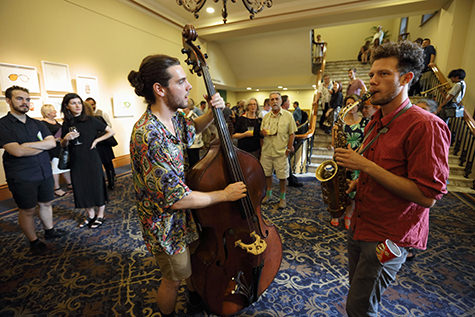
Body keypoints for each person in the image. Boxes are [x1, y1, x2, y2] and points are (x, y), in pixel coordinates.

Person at [334, 41, 450, 316]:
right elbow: (388, 170)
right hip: (361, 223)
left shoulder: (427, 126)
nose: (372, 81)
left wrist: (366, 167)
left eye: (384, 74)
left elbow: (427, 196)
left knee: (360, 308)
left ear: (407, 78)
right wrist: (357, 181)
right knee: (360, 295)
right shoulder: (377, 120)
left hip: (389, 235)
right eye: (372, 74)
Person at [127, 54, 247, 316]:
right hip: (165, 225)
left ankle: (194, 298)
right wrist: (224, 195)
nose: (189, 86)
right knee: (173, 278)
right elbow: (176, 199)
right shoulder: (148, 135)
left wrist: (212, 113)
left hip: (184, 218)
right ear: (160, 89)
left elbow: (192, 129)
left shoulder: (174, 118)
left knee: (192, 263)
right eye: (181, 81)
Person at [0, 86, 64, 255]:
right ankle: (33, 241)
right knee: (27, 209)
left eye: (27, 99)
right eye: (19, 98)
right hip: (22, 175)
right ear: (8, 100)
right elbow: (16, 151)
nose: (25, 102)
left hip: (44, 171)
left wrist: (27, 146)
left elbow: (51, 143)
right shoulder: (3, 125)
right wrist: (39, 146)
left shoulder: (36, 123)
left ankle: (49, 231)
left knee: (46, 203)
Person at [60, 93, 115, 229]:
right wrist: (66, 138)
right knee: (81, 187)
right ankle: (90, 215)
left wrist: (96, 140)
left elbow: (111, 132)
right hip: (76, 159)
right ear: (67, 106)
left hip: (92, 157)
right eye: (73, 103)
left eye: (79, 102)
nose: (77, 105)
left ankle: (100, 215)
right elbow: (63, 144)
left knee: (96, 185)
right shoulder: (67, 123)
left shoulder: (91, 120)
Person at [329, 95, 369, 229]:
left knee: (352, 191)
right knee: (337, 187)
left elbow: (366, 142)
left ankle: (348, 214)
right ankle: (335, 213)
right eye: (347, 104)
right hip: (340, 158)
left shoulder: (365, 122)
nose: (350, 107)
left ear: (358, 106)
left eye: (353, 104)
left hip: (357, 159)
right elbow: (334, 143)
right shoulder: (339, 122)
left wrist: (354, 156)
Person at [260, 91, 298, 209]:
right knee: (267, 175)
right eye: (272, 99)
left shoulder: (288, 116)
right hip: (267, 152)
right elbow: (261, 133)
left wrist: (288, 148)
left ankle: (282, 197)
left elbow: (292, 134)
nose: (274, 101)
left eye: (277, 99)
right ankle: (269, 194)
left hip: (281, 152)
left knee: (282, 177)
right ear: (269, 102)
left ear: (281, 101)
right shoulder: (266, 116)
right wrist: (262, 143)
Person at [84, 99, 117, 190]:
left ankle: (111, 182)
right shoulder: (89, 120)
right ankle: (109, 183)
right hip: (98, 145)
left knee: (107, 164)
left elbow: (108, 128)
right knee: (104, 165)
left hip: (103, 144)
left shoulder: (99, 116)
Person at [40, 104, 72, 197]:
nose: (56, 112)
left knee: (64, 166)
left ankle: (69, 183)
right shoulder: (43, 124)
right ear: (48, 113)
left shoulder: (55, 122)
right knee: (55, 169)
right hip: (52, 150)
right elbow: (43, 139)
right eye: (53, 110)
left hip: (60, 148)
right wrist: (55, 139)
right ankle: (56, 188)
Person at [183, 100, 204, 167]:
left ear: (188, 108)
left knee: (194, 163)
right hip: (188, 143)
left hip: (193, 144)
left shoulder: (193, 116)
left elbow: (195, 131)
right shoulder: (185, 116)